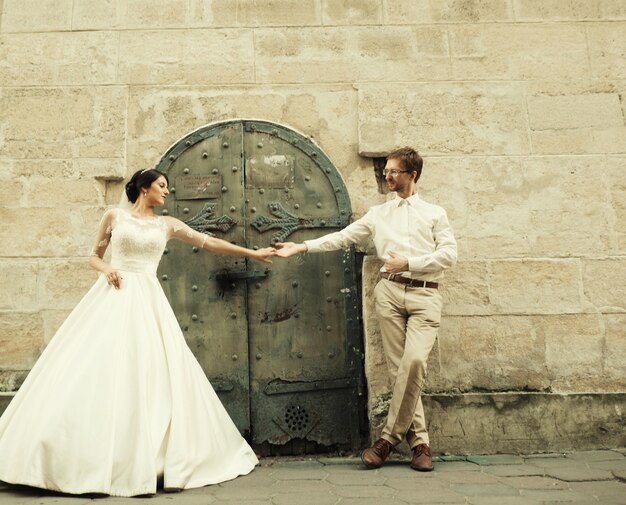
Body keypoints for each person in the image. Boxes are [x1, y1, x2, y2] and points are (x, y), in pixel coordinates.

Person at [0, 168, 276, 497]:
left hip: (148, 301)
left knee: (153, 371)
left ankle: (154, 459)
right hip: (114, 296)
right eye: (162, 186)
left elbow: (210, 243)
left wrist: (252, 253)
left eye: (168, 187)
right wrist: (108, 269)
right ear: (144, 188)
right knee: (98, 369)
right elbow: (93, 257)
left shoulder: (167, 225)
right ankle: (76, 457)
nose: (167, 192)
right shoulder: (114, 216)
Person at [276, 147, 457, 471]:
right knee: (397, 369)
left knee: (414, 362)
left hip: (426, 296)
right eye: (385, 170)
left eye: (393, 171)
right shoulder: (378, 215)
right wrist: (302, 246)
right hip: (388, 293)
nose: (387, 176)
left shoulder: (434, 213)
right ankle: (420, 446)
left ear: (411, 175)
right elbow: (343, 238)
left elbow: (449, 255)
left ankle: (387, 440)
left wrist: (410, 263)